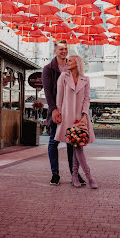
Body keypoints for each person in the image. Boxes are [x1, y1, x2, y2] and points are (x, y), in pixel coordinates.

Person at [42, 40, 86, 186]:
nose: (63, 51)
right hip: (57, 112)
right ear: (55, 50)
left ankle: (74, 174)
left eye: (65, 49)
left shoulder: (72, 65)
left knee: (72, 144)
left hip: (71, 113)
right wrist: (54, 110)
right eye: (60, 49)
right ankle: (55, 173)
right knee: (53, 143)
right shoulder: (48, 69)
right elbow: (48, 92)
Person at [54, 55, 97, 189]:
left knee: (77, 146)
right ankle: (89, 177)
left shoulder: (86, 79)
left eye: (70, 61)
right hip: (67, 117)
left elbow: (87, 99)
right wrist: (59, 114)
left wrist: (85, 115)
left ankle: (75, 175)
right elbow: (59, 97)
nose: (67, 62)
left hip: (80, 117)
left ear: (77, 63)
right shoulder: (63, 77)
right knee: (77, 147)